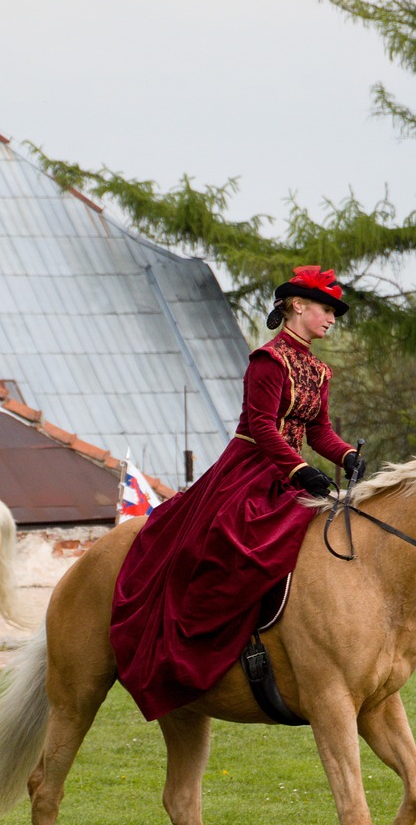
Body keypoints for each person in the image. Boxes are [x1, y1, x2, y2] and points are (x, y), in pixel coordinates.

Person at [110, 265, 364, 720]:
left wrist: (345, 456)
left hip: (292, 471)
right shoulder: (268, 360)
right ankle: (228, 645)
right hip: (250, 468)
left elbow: (320, 430)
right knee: (235, 545)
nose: (331, 319)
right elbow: (262, 425)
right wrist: (300, 469)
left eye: (333, 312)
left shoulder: (318, 370)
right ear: (298, 307)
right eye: (326, 309)